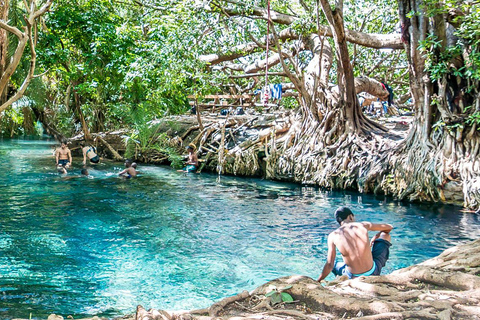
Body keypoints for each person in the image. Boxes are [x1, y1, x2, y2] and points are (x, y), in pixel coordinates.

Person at [317, 207, 393, 281]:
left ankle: (341, 280)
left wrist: (318, 280)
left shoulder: (333, 236)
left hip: (352, 277)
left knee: (334, 265)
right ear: (350, 217)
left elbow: (329, 264)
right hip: (373, 273)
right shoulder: (363, 225)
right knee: (385, 235)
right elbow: (389, 227)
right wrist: (376, 236)